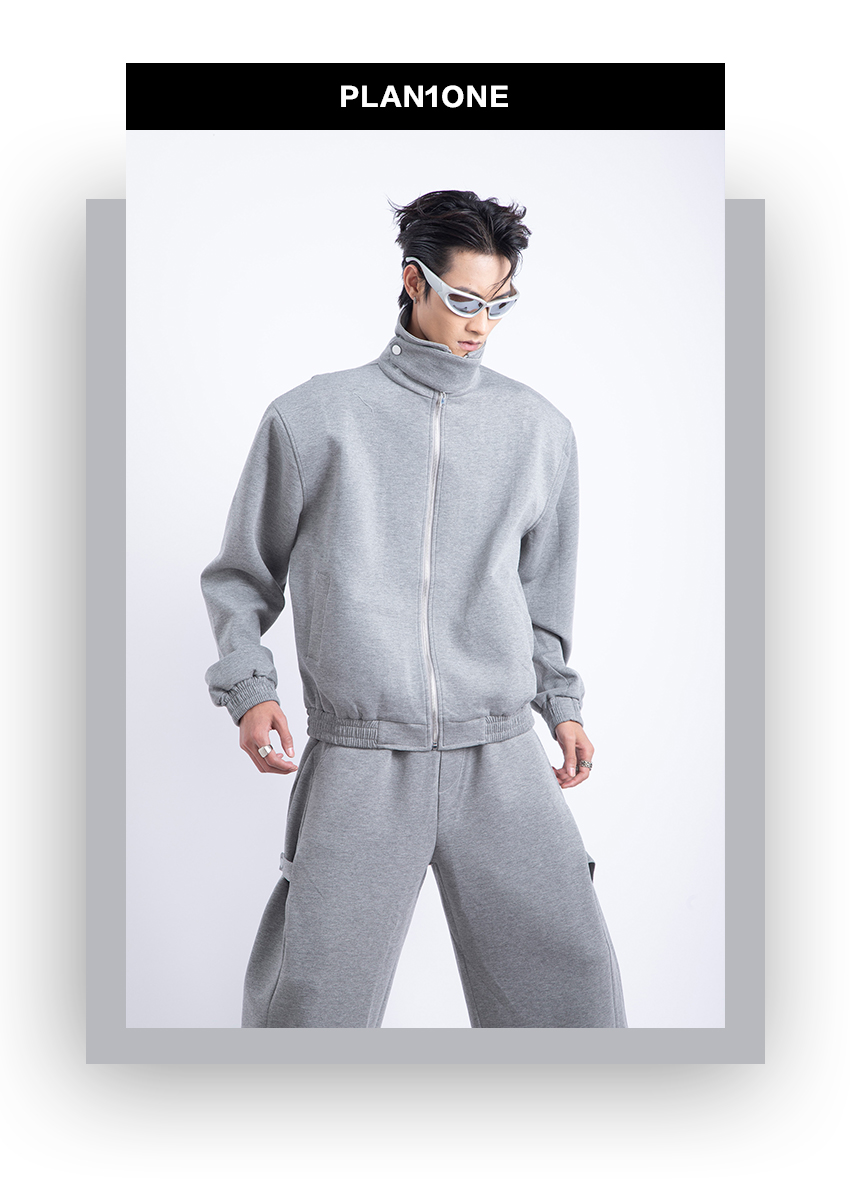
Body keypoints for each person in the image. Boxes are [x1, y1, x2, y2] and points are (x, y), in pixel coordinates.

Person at [200, 189, 627, 1029]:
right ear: (413, 280)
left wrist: (562, 703)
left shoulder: (538, 429)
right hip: (362, 757)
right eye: (464, 299)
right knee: (312, 1007)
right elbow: (241, 577)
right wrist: (250, 689)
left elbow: (543, 592)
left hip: (499, 753)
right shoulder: (312, 420)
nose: (481, 324)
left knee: (571, 993)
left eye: (500, 303)